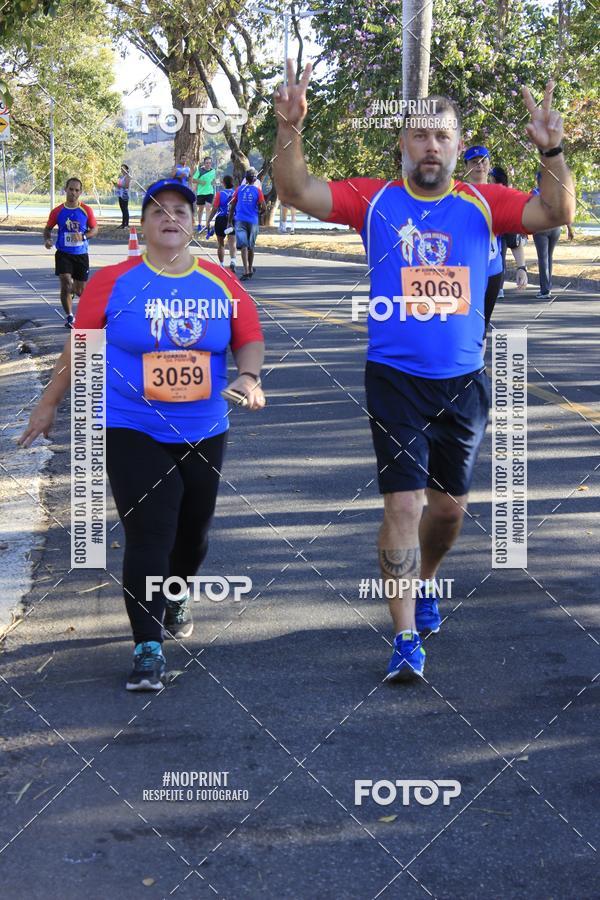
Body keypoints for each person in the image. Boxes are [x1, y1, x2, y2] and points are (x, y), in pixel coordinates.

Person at [273, 63, 575, 682]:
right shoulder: (375, 199)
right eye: (419, 135)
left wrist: (553, 150)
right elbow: (295, 190)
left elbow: (557, 210)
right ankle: (405, 636)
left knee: (448, 512)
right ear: (402, 145)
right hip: (394, 378)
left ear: (458, 147)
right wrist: (288, 127)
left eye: (442, 136)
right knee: (405, 503)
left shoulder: (482, 204)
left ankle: (428, 579)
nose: (430, 145)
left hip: (463, 383)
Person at [21, 178, 266, 691]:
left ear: (193, 223)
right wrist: (48, 403)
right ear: (144, 224)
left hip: (203, 426)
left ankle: (175, 591)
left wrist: (248, 376)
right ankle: (147, 645)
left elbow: (249, 339)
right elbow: (79, 349)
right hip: (130, 422)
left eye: (180, 210)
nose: (170, 218)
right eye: (159, 211)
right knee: (151, 529)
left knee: (192, 535)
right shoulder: (112, 281)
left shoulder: (222, 282)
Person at [43, 177, 99, 328]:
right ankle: (70, 317)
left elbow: (95, 229)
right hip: (63, 253)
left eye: (76, 190)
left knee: (81, 291)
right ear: (65, 189)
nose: (73, 192)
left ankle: (75, 291)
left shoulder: (86, 210)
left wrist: (84, 236)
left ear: (80, 192)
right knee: (65, 281)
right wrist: (47, 240)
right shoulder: (57, 211)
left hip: (80, 254)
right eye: (71, 189)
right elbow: (47, 229)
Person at [463, 146, 504, 337]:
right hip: (465, 270)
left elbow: (511, 234)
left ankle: (477, 366)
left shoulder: (500, 194)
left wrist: (521, 267)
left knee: (482, 326)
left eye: (483, 161)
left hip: (493, 269)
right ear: (466, 167)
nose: (479, 166)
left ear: (489, 165)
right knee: (465, 324)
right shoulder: (458, 195)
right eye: (474, 162)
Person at [489, 165, 528, 298]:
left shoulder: (506, 198)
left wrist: (521, 268)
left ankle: (499, 287)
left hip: (491, 272)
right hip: (470, 274)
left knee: (500, 255)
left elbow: (515, 242)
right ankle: (499, 287)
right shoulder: (466, 197)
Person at [531, 172, 566, 299]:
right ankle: (548, 286)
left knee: (543, 258)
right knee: (549, 257)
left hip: (541, 229)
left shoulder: (535, 192)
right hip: (556, 228)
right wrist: (569, 228)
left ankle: (545, 290)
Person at [228, 168, 266, 281]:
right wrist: (259, 212)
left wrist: (229, 221)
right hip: (253, 221)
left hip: (240, 220)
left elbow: (233, 205)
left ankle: (245, 271)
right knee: (251, 246)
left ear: (245, 179)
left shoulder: (239, 189)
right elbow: (264, 207)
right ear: (255, 180)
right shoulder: (257, 191)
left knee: (243, 246)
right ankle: (250, 268)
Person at [205, 174, 237, 271]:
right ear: (232, 183)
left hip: (221, 219)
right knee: (232, 243)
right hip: (232, 219)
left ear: (223, 183)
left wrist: (209, 220)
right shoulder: (236, 193)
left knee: (221, 243)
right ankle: (233, 261)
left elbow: (214, 209)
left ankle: (222, 264)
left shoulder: (219, 194)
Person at [193, 156, 217, 230]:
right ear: (204, 163)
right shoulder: (200, 170)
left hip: (210, 192)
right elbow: (193, 180)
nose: (208, 164)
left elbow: (213, 181)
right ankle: (199, 224)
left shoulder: (213, 171)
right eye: (207, 163)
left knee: (208, 208)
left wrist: (214, 183)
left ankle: (207, 225)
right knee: (200, 209)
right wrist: (200, 181)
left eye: (209, 163)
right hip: (201, 192)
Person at [114, 163, 131, 228]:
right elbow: (120, 185)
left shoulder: (127, 177)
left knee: (125, 209)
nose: (122, 170)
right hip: (120, 194)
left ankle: (126, 224)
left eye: (123, 168)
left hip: (125, 195)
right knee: (122, 209)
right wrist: (116, 185)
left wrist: (119, 185)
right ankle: (123, 223)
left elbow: (126, 186)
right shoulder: (121, 177)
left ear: (126, 169)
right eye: (121, 168)